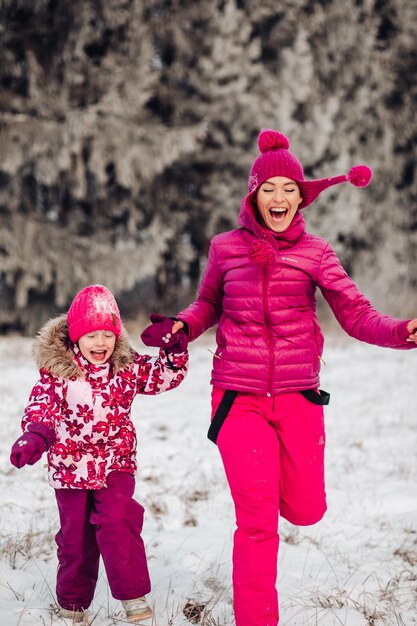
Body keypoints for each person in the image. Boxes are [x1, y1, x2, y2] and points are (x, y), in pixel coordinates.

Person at [142, 129, 417, 626]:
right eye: (269, 189)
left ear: (301, 196)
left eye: (289, 189)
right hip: (238, 399)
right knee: (257, 520)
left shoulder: (315, 252)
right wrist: (183, 325)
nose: (279, 197)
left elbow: (356, 314)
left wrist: (403, 332)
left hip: (297, 399)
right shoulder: (225, 248)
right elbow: (207, 304)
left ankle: (286, 494)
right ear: (253, 195)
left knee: (308, 510)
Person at [9, 285, 188, 624]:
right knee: (76, 540)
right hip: (70, 467)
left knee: (117, 520)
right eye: (92, 335)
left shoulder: (126, 366)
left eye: (108, 334)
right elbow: (42, 405)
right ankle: (73, 604)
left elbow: (164, 377)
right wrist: (36, 435)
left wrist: (174, 349)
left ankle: (133, 596)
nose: (101, 343)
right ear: (76, 337)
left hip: (114, 463)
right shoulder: (58, 372)